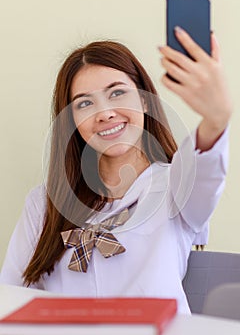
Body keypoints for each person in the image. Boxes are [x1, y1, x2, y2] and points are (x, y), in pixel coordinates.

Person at [0, 26, 232, 314]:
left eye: (117, 93)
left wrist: (216, 117)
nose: (105, 113)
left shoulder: (175, 186)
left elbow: (207, 165)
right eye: (84, 103)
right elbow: (12, 296)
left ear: (145, 100)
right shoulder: (43, 204)